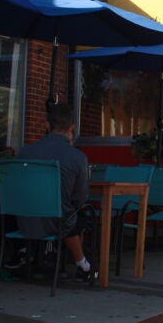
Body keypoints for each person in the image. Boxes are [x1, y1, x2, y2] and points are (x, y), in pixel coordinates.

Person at [17, 102, 96, 284]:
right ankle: (82, 264)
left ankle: (28, 255)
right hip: (57, 222)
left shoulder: (24, 152)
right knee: (75, 215)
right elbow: (81, 198)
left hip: (23, 220)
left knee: (62, 211)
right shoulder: (77, 157)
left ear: (46, 125)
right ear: (71, 128)